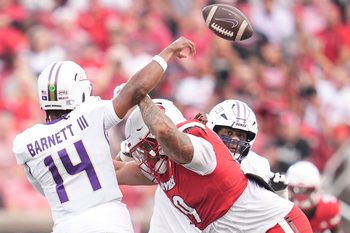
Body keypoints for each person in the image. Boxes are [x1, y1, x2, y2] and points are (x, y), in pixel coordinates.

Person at [12, 37, 196, 233]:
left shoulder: (24, 143)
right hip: (108, 220)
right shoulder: (91, 114)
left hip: (65, 226)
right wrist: (167, 53)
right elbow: (136, 89)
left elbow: (48, 187)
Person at [116, 97, 312, 232]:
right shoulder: (171, 161)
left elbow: (167, 133)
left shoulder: (207, 153)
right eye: (227, 133)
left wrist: (140, 94)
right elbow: (120, 169)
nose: (234, 140)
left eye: (241, 136)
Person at [287, 161, 342, 233]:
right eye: (295, 190)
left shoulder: (329, 208)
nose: (301, 197)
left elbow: (336, 230)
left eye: (307, 191)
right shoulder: (280, 208)